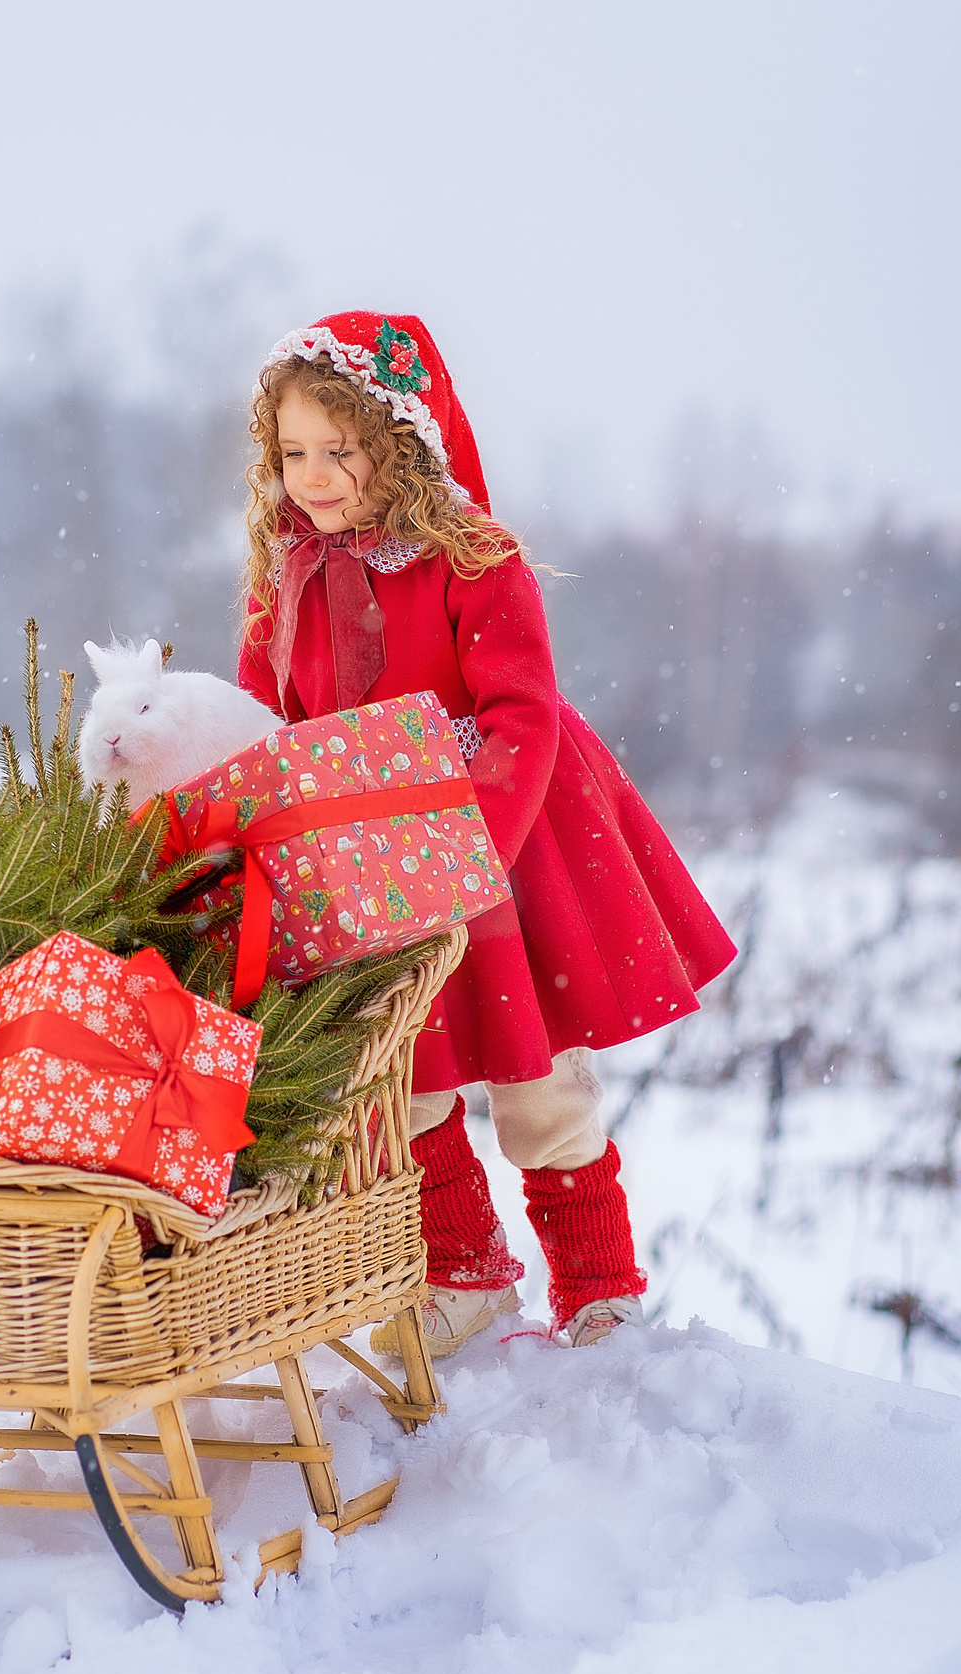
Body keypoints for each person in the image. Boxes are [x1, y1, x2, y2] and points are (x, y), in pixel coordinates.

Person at [235, 312, 736, 1352]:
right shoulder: (280, 578)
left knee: (535, 1078)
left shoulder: (471, 557)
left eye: (341, 450)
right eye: (294, 454)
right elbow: (264, 720)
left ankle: (597, 1289)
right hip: (361, 855)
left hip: (500, 841)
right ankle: (464, 1274)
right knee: (399, 1072)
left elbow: (521, 710)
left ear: (402, 442)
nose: (315, 477)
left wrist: (471, 850)